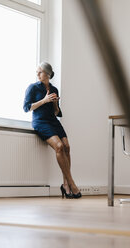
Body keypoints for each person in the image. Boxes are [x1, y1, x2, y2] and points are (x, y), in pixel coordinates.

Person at [23, 62, 81, 199]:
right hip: (40, 122)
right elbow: (26, 108)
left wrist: (54, 103)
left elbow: (56, 112)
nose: (37, 74)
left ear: (48, 74)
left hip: (53, 121)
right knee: (59, 146)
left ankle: (65, 184)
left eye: (40, 72)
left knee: (67, 146)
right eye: (37, 72)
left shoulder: (54, 89)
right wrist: (44, 100)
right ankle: (72, 183)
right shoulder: (32, 88)